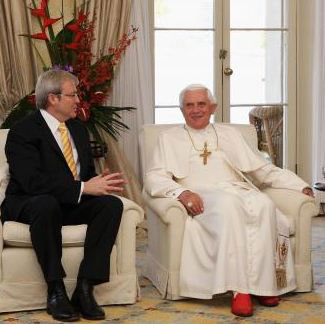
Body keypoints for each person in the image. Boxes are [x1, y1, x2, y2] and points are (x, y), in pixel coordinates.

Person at [144, 84, 314, 317]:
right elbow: (154, 177)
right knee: (230, 207)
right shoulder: (169, 138)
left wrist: (300, 185)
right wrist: (182, 194)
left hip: (237, 189)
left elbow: (263, 170)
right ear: (182, 110)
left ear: (212, 107)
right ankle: (240, 291)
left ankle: (265, 286)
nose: (195, 110)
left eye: (201, 104)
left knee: (264, 204)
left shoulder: (229, 134)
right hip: (202, 195)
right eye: (189, 105)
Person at [1, 70, 127, 321]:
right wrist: (82, 188)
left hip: (66, 201)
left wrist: (97, 184)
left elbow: (86, 176)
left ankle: (85, 287)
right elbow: (31, 182)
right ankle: (55, 289)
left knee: (111, 205)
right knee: (46, 204)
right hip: (29, 203)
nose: (78, 100)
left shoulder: (78, 129)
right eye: (73, 95)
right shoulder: (22, 131)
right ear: (52, 99)